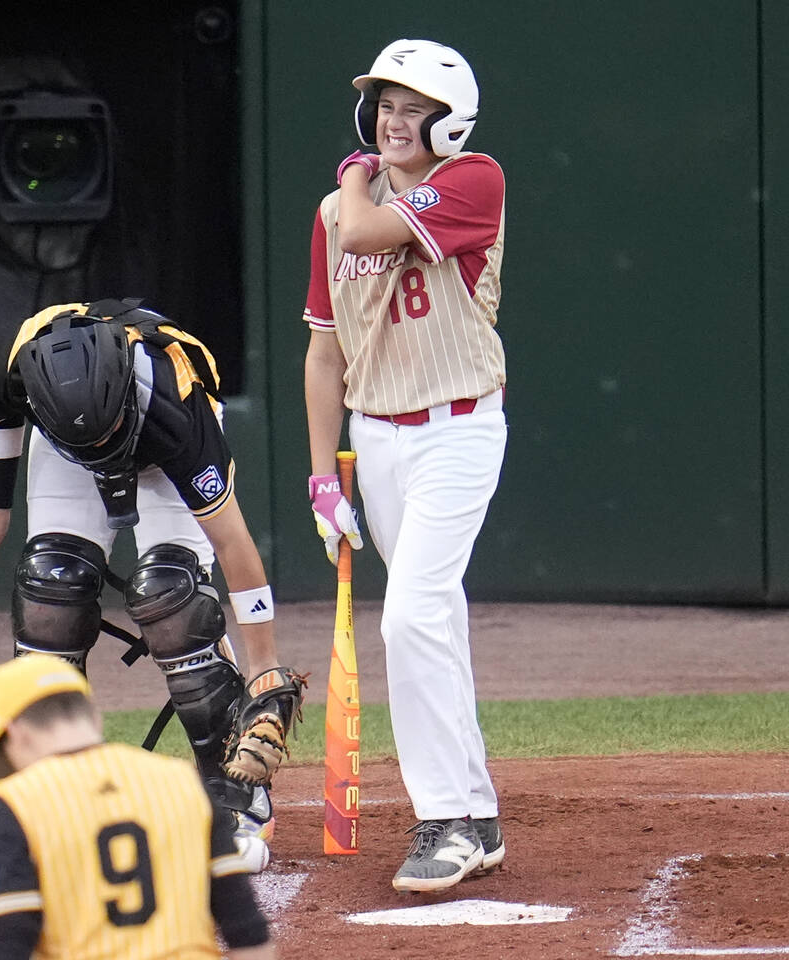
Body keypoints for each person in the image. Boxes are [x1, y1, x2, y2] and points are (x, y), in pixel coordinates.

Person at [0, 298, 305, 854]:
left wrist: (264, 662)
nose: (102, 452)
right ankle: (50, 787)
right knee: (53, 583)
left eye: (106, 435)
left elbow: (233, 541)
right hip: (60, 448)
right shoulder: (22, 365)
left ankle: (229, 788)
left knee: (172, 596)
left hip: (156, 444)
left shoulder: (176, 404)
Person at [302, 39, 508, 892]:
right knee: (435, 622)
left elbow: (368, 224)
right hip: (375, 436)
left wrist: (353, 176)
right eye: (384, 104)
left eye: (412, 107)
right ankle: (479, 810)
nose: (393, 119)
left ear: (449, 122)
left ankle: (446, 821)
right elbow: (323, 354)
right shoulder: (333, 213)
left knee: (411, 616)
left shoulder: (473, 180)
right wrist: (323, 476)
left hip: (457, 431)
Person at [0, 654, 276, 959]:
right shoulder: (183, 781)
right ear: (94, 716)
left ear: (15, 731)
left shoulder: (16, 801)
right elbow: (247, 932)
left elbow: (10, 940)